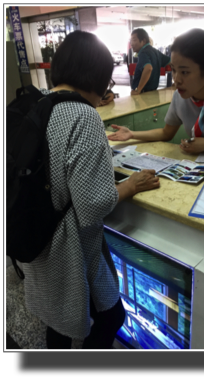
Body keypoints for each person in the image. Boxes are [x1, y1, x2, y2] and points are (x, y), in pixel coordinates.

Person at [22, 30, 160, 349]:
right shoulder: (83, 115)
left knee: (57, 318)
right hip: (69, 248)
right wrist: (129, 185)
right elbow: (92, 206)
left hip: (36, 236)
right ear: (98, 76)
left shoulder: (39, 104)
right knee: (111, 318)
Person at [108, 28, 204, 157]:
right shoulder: (180, 97)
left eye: (185, 72)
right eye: (174, 71)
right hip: (196, 166)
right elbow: (165, 133)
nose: (177, 80)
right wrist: (132, 134)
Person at [130, 28, 171, 95]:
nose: (131, 44)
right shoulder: (156, 52)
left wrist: (138, 90)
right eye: (131, 41)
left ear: (143, 41)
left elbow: (148, 68)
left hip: (143, 95)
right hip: (154, 93)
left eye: (134, 40)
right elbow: (173, 62)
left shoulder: (142, 53)